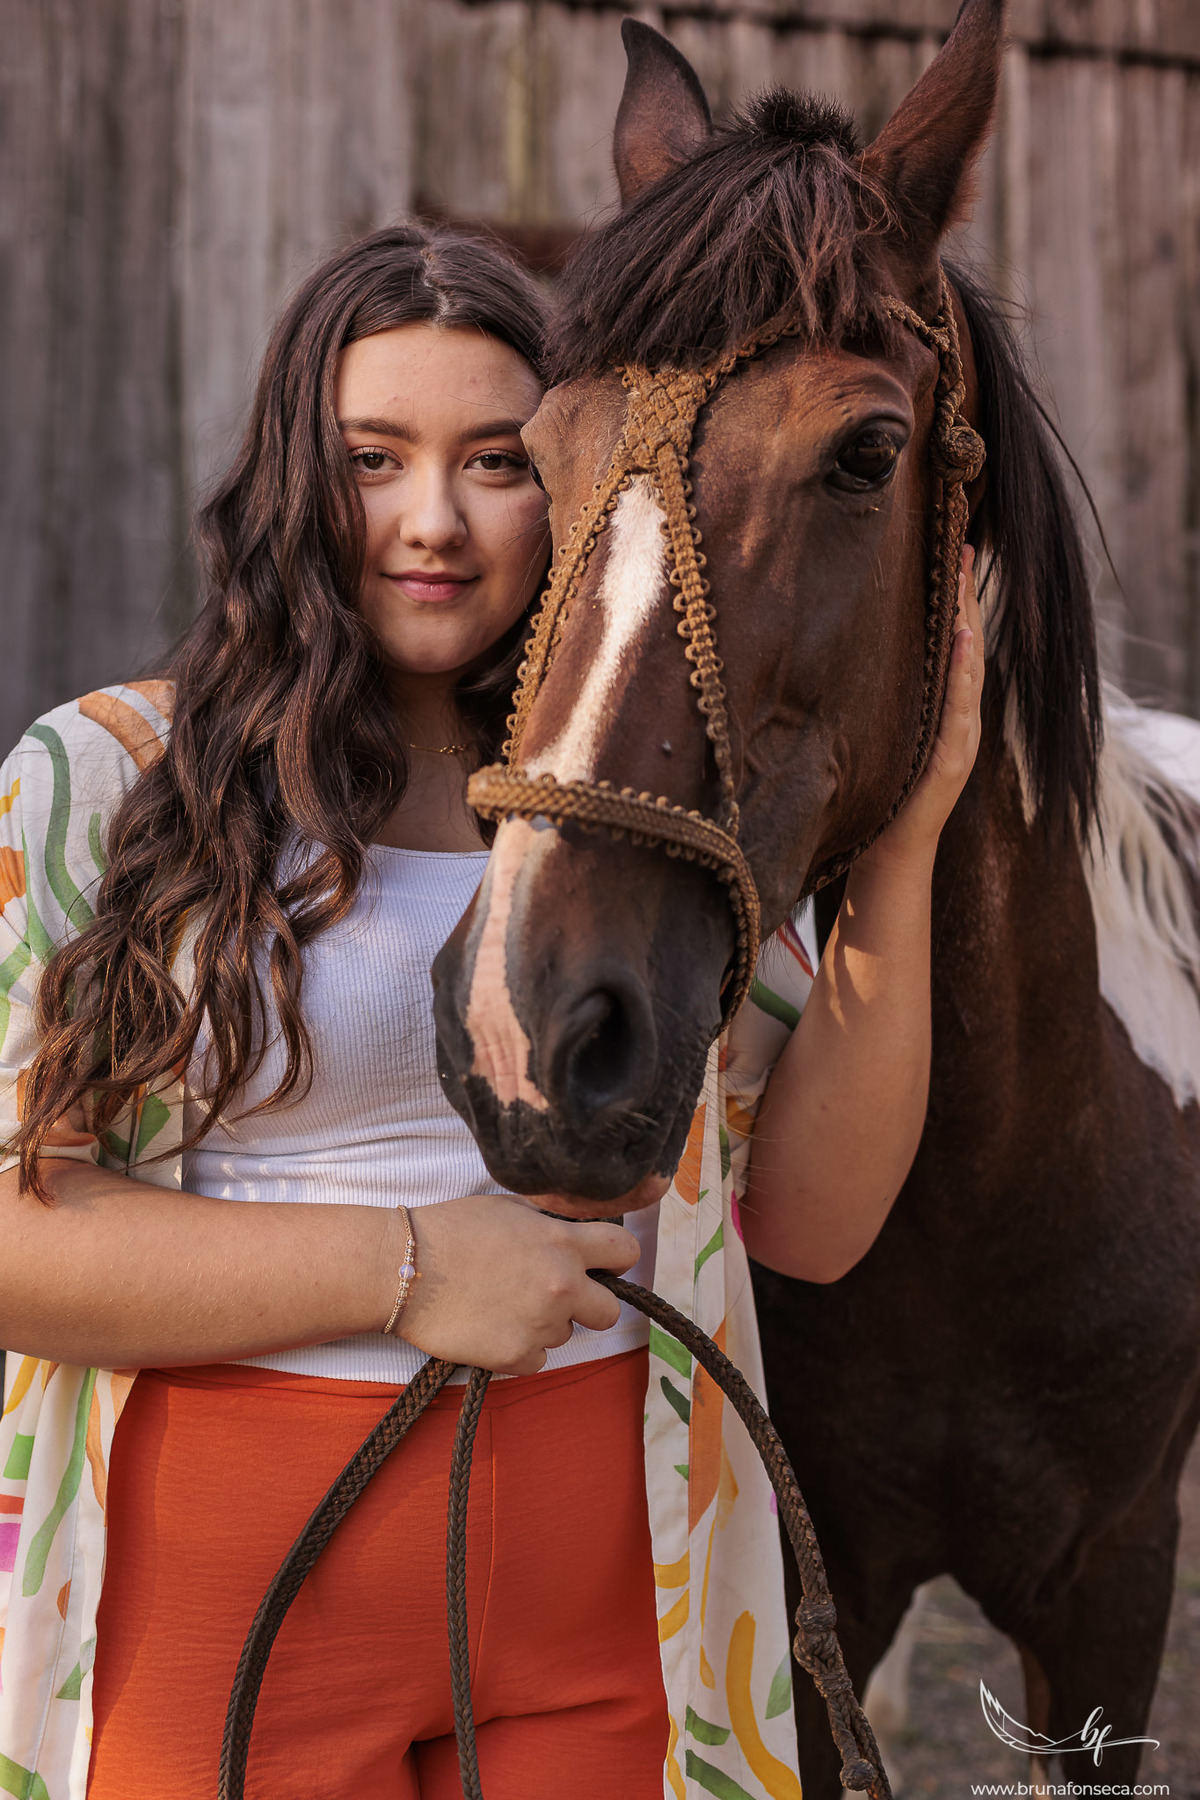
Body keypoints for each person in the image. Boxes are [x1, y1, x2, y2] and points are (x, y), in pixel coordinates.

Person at [0, 222, 982, 1800]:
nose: (432, 522)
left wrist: (913, 842)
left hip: (601, 1597)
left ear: (582, 489)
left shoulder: (638, 809)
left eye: (499, 462)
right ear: (291, 481)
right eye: (373, 458)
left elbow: (807, 1218)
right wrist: (406, 1268)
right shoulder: (104, 779)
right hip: (235, 1593)